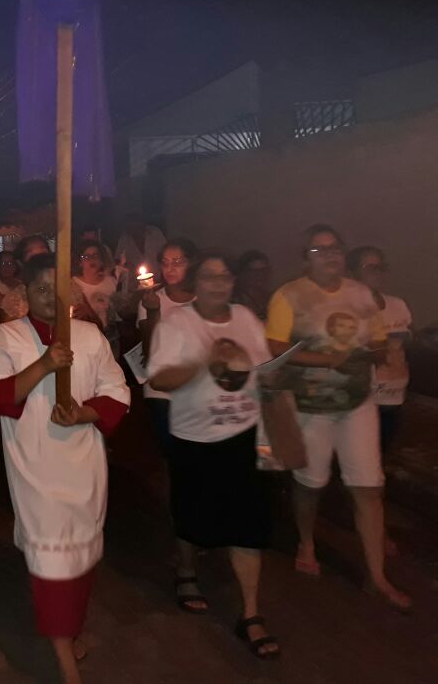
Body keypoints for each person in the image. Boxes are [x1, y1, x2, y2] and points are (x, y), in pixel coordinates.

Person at [0, 253, 130, 684]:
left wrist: (84, 413)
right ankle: (66, 663)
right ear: (26, 294)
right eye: (41, 289)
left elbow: (117, 391)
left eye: (57, 288)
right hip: (36, 469)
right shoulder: (7, 337)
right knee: (51, 565)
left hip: (84, 466)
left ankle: (69, 631)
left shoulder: (89, 335)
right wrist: (46, 363)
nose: (50, 297)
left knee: (81, 558)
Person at [265, 224, 410, 610]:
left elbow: (377, 342)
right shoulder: (289, 296)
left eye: (335, 248)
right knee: (310, 483)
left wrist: (374, 352)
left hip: (358, 403)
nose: (329, 255)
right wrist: (327, 360)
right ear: (305, 259)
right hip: (311, 406)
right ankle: (306, 541)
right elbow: (275, 349)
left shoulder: (361, 294)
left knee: (369, 487)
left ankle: (377, 576)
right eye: (319, 250)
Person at [147, 254, 280, 660]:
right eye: (209, 276)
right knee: (193, 516)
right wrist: (203, 361)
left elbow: (264, 368)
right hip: (196, 437)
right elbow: (159, 378)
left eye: (225, 276)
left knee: (248, 523)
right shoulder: (177, 324)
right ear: (196, 280)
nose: (219, 284)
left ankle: (251, 613)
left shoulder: (245, 318)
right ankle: (186, 570)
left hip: (245, 434)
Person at [348, 246, 412, 453]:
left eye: (381, 267)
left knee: (384, 451)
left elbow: (407, 344)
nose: (378, 273)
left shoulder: (398, 305)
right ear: (353, 273)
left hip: (395, 395)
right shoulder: (348, 309)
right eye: (370, 268)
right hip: (365, 400)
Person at [137, 238, 198, 453]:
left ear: (192, 264)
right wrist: (153, 311)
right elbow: (150, 351)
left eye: (177, 262)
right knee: (171, 451)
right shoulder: (151, 300)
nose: (170, 269)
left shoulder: (204, 299)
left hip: (196, 385)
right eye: (165, 262)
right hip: (162, 389)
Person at [0, 235, 51, 321]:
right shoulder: (15, 299)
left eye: (43, 253)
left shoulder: (68, 285)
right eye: (32, 256)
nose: (39, 259)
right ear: (20, 263)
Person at [114, 213, 167, 291]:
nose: (135, 228)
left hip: (159, 282)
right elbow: (118, 261)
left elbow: (165, 253)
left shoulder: (155, 233)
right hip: (135, 286)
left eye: (136, 222)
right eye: (131, 225)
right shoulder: (124, 239)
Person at [233, 250, 273, 320]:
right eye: (254, 271)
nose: (260, 275)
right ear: (243, 273)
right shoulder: (236, 301)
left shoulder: (271, 297)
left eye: (263, 270)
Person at [0, 250, 27, 322]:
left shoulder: (23, 286)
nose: (7, 266)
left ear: (15, 266)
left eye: (10, 263)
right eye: (3, 263)